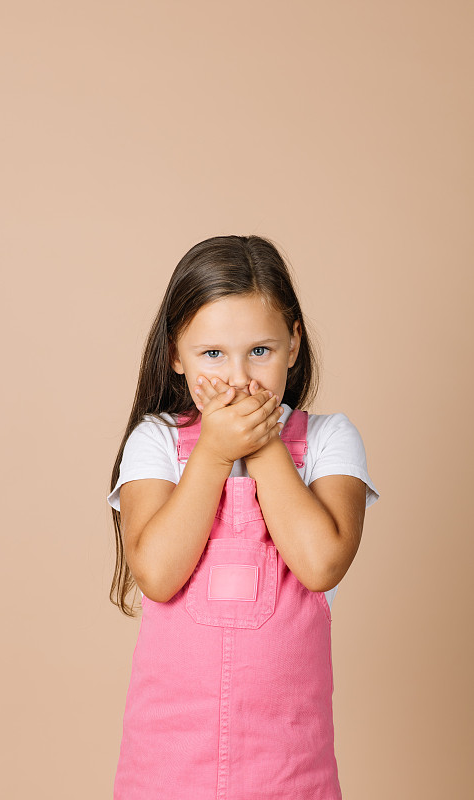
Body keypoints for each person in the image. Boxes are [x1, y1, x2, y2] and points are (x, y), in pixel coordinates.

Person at [107, 234, 380, 799]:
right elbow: (156, 574)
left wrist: (261, 446)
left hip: (290, 768)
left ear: (294, 344)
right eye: (213, 354)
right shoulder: (156, 442)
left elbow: (321, 562)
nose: (239, 379)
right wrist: (211, 452)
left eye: (261, 351)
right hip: (168, 764)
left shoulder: (330, 440)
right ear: (175, 355)